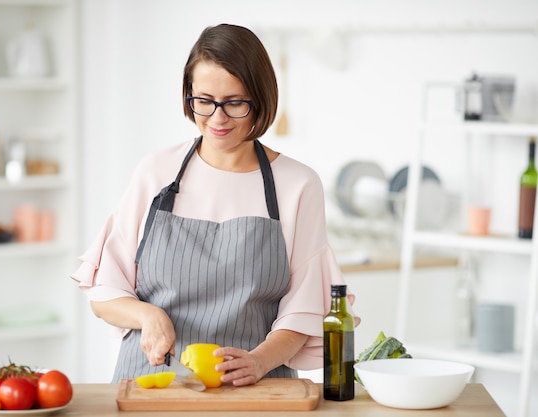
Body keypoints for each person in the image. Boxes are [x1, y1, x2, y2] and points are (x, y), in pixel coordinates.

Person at [71, 23, 359, 387]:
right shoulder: (155, 172)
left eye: (235, 103)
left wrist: (258, 361)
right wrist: (147, 315)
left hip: (258, 386)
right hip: (152, 385)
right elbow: (104, 294)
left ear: (261, 99)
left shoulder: (298, 184)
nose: (218, 118)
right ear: (188, 95)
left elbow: (303, 311)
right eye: (204, 101)